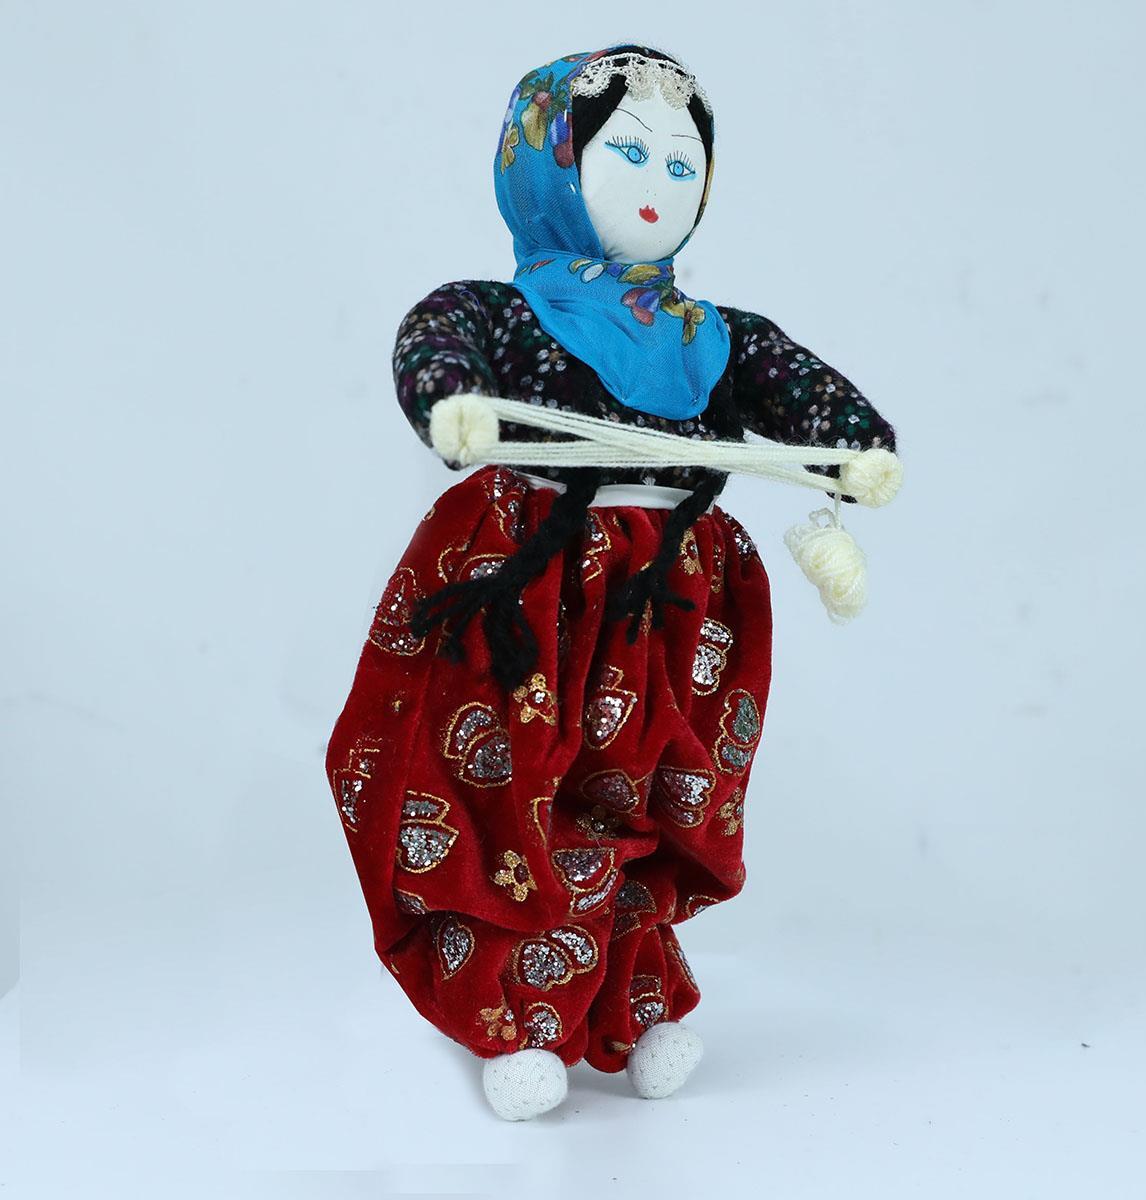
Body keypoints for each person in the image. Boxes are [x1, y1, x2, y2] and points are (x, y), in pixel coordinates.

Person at [327, 43, 897, 1121]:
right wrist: (451, 399)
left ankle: (633, 997)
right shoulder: (503, 312)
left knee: (648, 788)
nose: (656, 186)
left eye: (682, 167)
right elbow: (436, 337)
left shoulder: (712, 338)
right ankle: (511, 1012)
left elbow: (803, 391)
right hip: (532, 583)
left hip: (674, 599)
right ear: (549, 166)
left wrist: (854, 450)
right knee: (513, 790)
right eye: (627, 154)